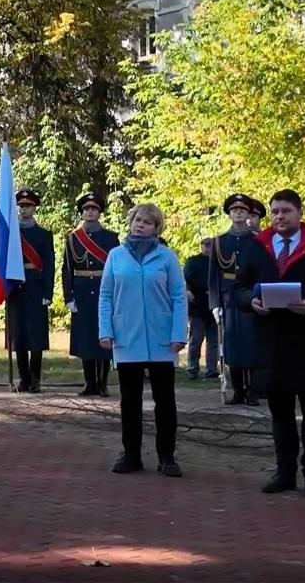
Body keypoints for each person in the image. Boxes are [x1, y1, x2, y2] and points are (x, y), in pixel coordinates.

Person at [236, 189, 305, 499]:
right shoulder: (256, 248)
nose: (279, 217)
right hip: (271, 343)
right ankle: (284, 472)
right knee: (280, 413)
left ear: (299, 213)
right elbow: (239, 289)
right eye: (274, 212)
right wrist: (251, 301)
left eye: (285, 211)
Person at [98, 203, 186, 477]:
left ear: (157, 228)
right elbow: (106, 296)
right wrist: (105, 330)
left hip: (161, 339)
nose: (141, 225)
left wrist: (178, 334)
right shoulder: (116, 255)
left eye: (148, 222)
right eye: (137, 220)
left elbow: (179, 297)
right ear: (130, 222)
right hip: (127, 336)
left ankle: (167, 456)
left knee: (165, 401)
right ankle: (131, 454)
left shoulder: (167, 256)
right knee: (130, 400)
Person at [63, 193, 119, 396]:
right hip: (82, 292)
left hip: (105, 291)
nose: (90, 212)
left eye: (93, 209)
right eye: (86, 209)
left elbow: (116, 268)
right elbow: (67, 269)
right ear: (82, 212)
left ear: (99, 212)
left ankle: (103, 382)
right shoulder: (73, 238)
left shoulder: (111, 238)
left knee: (104, 336)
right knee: (86, 339)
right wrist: (68, 296)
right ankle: (89, 382)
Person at [210, 193, 261, 405]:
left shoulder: (258, 241)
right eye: (234, 210)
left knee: (253, 344)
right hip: (229, 299)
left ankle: (253, 391)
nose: (238, 212)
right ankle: (238, 390)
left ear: (249, 213)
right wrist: (214, 304)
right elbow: (213, 276)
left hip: (252, 297)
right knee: (232, 346)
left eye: (242, 210)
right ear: (229, 214)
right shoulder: (219, 242)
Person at [7, 189, 54, 393]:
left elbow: (49, 265)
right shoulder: (11, 233)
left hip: (36, 287)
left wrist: (47, 292)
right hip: (16, 288)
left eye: (27, 206)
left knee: (35, 336)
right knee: (18, 336)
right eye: (21, 206)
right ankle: (23, 378)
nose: (24, 209)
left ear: (35, 208)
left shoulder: (44, 235)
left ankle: (35, 378)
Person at [184, 237, 219, 380]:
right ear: (201, 246)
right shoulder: (193, 261)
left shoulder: (218, 263)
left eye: (211, 245)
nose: (208, 247)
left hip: (214, 306)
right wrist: (207, 287)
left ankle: (211, 369)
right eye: (206, 245)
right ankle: (192, 368)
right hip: (198, 307)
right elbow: (189, 277)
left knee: (214, 341)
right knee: (196, 340)